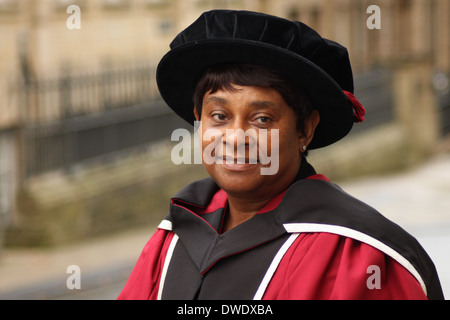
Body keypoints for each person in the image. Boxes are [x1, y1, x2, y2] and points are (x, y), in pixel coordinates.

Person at [118, 10, 444, 300]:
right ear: (198, 120)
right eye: (219, 116)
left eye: (262, 119)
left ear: (305, 129)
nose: (235, 138)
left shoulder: (359, 255)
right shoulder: (175, 235)